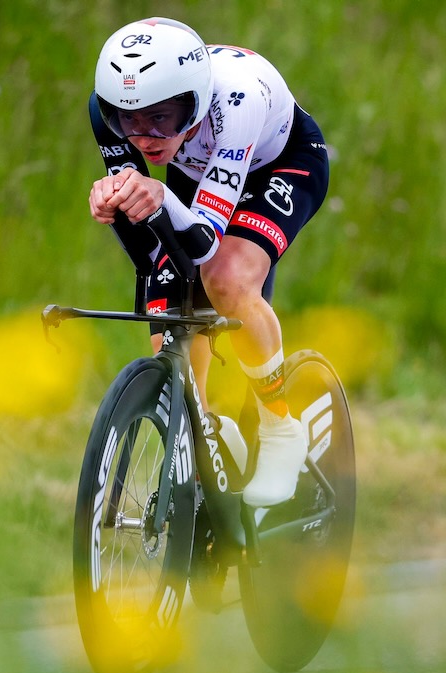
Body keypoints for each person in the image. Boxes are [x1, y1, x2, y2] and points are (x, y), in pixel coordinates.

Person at [88, 17, 330, 508]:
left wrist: (158, 195)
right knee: (166, 301)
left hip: (279, 163)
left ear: (195, 103)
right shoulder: (105, 111)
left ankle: (280, 427)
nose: (144, 137)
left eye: (161, 117)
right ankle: (204, 435)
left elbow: (202, 243)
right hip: (198, 167)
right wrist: (115, 204)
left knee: (226, 279)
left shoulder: (236, 102)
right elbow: (147, 249)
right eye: (128, 121)